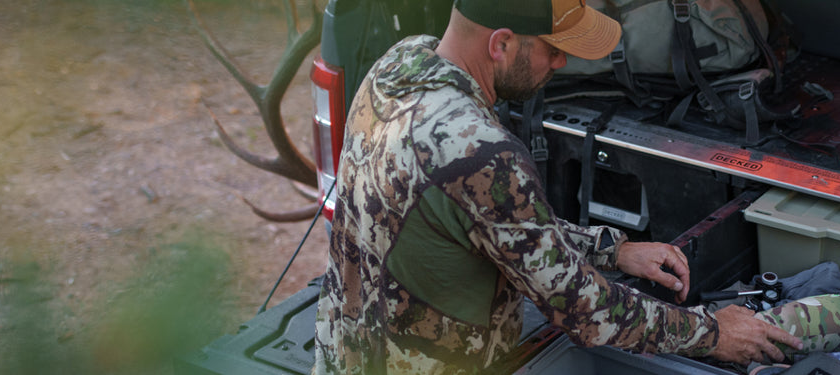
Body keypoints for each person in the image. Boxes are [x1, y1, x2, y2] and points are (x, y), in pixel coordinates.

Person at [312, 0, 801, 373]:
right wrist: (714, 333)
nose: (563, 64)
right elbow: (587, 311)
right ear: (500, 44)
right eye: (554, 49)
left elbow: (493, 221)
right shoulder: (483, 152)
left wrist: (613, 250)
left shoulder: (396, 66)